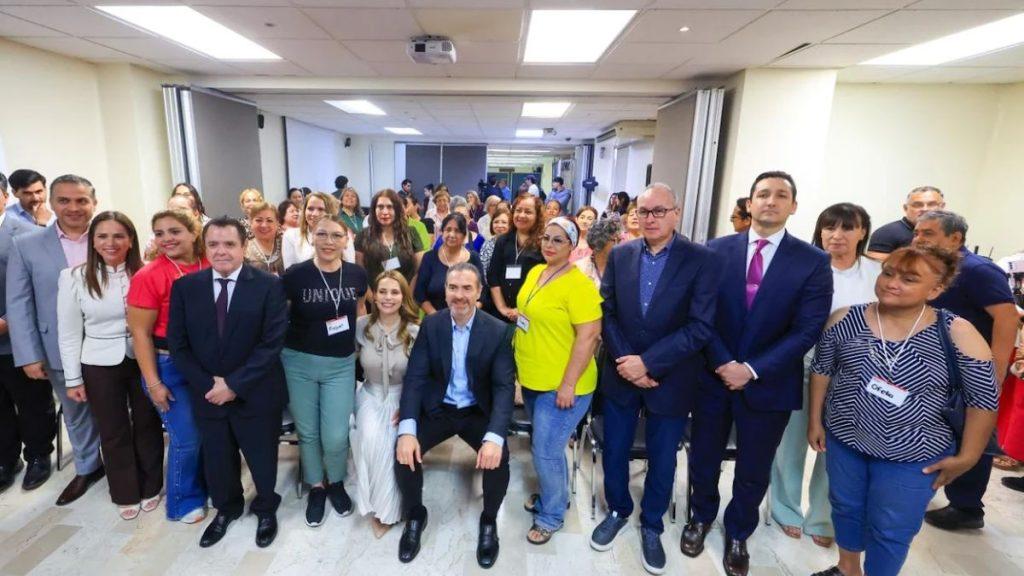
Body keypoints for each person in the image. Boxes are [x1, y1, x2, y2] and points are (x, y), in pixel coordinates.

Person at [807, 246, 999, 576]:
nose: (893, 283)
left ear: (936, 289)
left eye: (909, 279)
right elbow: (822, 369)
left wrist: (968, 457)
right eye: (889, 273)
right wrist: (815, 420)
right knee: (845, 507)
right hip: (845, 440)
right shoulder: (844, 319)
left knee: (890, 527)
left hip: (914, 455)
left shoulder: (958, 333)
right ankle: (847, 568)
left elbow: (983, 400)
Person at [684, 171, 832, 576]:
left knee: (754, 466)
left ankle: (737, 533)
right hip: (713, 378)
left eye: (780, 195)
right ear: (749, 204)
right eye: (762, 194)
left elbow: (807, 328)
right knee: (704, 457)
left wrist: (750, 369)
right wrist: (723, 363)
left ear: (793, 206)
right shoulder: (715, 251)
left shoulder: (813, 261)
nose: (770, 201)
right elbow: (701, 314)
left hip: (770, 383)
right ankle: (700, 518)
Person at [590, 183, 720, 574]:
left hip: (671, 377)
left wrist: (647, 363)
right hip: (621, 373)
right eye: (644, 212)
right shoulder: (621, 255)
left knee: (663, 458)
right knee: (615, 449)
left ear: (676, 213)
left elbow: (700, 327)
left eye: (659, 211)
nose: (650, 218)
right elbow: (608, 311)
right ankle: (617, 509)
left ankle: (651, 523)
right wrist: (627, 362)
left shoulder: (701, 260)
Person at [167, 217, 288, 549]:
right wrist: (211, 385)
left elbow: (271, 343)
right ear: (204, 247)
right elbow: (177, 345)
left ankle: (266, 507)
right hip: (207, 393)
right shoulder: (185, 288)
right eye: (214, 244)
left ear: (243, 246)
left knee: (262, 456)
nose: (221, 251)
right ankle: (227, 507)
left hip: (256, 391)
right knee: (218, 457)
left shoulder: (269, 285)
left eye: (229, 244)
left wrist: (233, 384)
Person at [769, 203, 881, 547]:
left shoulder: (876, 273)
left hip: (855, 369)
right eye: (829, 227)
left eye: (848, 228)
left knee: (836, 447)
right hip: (802, 360)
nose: (837, 235)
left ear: (862, 232)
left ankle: (823, 517)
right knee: (791, 439)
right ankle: (786, 509)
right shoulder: (802, 266)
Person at [394, 263, 515, 568]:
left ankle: (489, 521)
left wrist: (494, 436)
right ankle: (415, 515)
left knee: (499, 457)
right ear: (445, 290)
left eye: (466, 288)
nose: (458, 295)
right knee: (404, 451)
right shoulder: (431, 325)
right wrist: (407, 429)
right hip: (440, 409)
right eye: (452, 288)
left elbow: (503, 388)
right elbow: (416, 378)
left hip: (477, 411)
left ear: (479, 293)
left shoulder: (498, 331)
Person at [912, 210, 1018, 532]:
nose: (918, 239)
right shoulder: (934, 268)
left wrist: (994, 373)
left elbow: (1007, 318)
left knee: (973, 437)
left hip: (971, 373)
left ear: (955, 238)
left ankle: (967, 507)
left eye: (927, 233)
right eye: (917, 232)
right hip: (936, 371)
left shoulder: (977, 270)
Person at [7, 174, 105, 506]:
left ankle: (124, 464)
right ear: (51, 203)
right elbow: (19, 303)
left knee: (119, 410)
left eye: (81, 200)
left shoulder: (110, 236)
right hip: (57, 347)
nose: (73, 207)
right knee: (76, 412)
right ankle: (89, 468)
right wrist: (28, 355)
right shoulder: (27, 245)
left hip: (112, 343)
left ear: (94, 202)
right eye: (64, 200)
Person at [57, 211, 163, 520]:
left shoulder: (144, 273)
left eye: (119, 236)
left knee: (147, 424)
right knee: (113, 428)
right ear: (93, 241)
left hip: (144, 357)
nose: (110, 243)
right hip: (99, 361)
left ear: (131, 240)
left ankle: (151, 485)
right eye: (102, 236)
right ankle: (125, 491)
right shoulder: (73, 277)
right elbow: (68, 332)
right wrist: (73, 379)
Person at [516, 217, 602, 545]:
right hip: (535, 378)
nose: (549, 245)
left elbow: (590, 335)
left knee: (546, 450)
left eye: (558, 240)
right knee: (549, 448)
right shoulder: (538, 272)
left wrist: (567, 384)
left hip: (565, 385)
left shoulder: (578, 284)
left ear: (572, 246)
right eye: (546, 238)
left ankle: (551, 515)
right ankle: (557, 496)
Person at [281, 214, 367, 527]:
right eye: (322, 235)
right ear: (312, 237)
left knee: (335, 431)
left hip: (341, 364)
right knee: (308, 430)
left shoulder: (357, 274)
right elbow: (280, 315)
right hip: (298, 361)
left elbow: (360, 310)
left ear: (346, 240)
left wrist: (360, 345)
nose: (329, 242)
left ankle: (337, 481)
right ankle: (317, 486)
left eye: (335, 236)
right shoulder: (295, 275)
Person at [127, 210, 209, 523]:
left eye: (174, 231)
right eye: (159, 233)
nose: (166, 239)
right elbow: (140, 333)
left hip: (207, 361)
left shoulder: (209, 264)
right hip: (169, 363)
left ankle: (205, 486)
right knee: (186, 436)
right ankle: (182, 501)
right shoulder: (149, 275)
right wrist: (153, 382)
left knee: (207, 432)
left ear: (193, 233)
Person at [352, 271, 420, 538]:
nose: (388, 297)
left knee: (393, 441)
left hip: (402, 397)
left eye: (394, 292)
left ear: (403, 296)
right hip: (369, 393)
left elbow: (422, 378)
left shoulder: (414, 331)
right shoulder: (361, 326)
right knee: (368, 439)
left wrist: (410, 408)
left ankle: (390, 510)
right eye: (382, 291)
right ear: (374, 295)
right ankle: (373, 503)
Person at [0, 173, 56, 495]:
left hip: (17, 338)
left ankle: (37, 456)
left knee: (32, 403)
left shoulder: (27, 235)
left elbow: (38, 288)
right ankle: (7, 459)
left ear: (5, 196)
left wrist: (9, 319)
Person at [487, 196, 545, 323]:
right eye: (518, 210)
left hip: (530, 314)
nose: (521, 215)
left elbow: (544, 283)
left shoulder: (544, 244)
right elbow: (493, 276)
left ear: (537, 216)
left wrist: (523, 309)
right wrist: (502, 308)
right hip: (499, 312)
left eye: (528, 212)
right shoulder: (503, 240)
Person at [415, 213, 485, 314]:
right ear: (442, 232)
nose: (451, 235)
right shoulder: (429, 257)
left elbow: (483, 293)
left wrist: (470, 314)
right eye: (448, 230)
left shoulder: (473, 258)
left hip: (467, 318)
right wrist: (438, 319)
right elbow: (420, 294)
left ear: (464, 235)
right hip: (435, 319)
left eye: (457, 231)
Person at [355, 189, 425, 289]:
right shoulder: (362, 235)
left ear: (397, 209)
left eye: (390, 207)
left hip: (407, 296)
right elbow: (360, 273)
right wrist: (373, 299)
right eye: (380, 207)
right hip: (374, 297)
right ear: (374, 210)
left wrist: (408, 297)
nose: (385, 212)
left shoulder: (411, 233)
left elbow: (419, 270)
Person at [865, 186, 944, 261]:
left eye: (932, 204)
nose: (925, 209)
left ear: (942, 207)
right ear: (906, 208)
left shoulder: (950, 232)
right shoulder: (886, 233)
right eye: (917, 205)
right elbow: (875, 270)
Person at [282, 192, 346, 270]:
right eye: (310, 209)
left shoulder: (343, 235)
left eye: (321, 209)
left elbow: (349, 268)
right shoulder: (291, 235)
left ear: (330, 213)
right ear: (304, 211)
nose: (314, 214)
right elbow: (290, 272)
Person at [575, 217, 621, 289]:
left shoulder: (623, 269)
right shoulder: (580, 268)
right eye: (615, 240)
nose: (619, 244)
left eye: (619, 240)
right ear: (600, 242)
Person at [245, 202, 284, 276]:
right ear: (250, 222)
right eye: (259, 220)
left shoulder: (286, 245)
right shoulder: (244, 248)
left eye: (269, 221)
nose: (264, 225)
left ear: (277, 223)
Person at [479, 207, 511, 276]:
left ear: (510, 225)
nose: (499, 225)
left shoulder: (516, 244)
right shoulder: (487, 244)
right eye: (496, 222)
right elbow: (482, 270)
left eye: (504, 222)